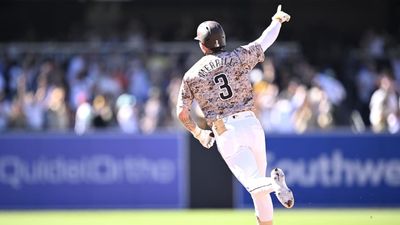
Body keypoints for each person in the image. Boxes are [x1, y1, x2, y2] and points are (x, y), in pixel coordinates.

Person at [176, 5, 294, 225]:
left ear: (202, 46)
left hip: (226, 131)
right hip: (252, 124)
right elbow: (264, 41)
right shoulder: (237, 57)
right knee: (259, 192)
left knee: (254, 184)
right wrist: (276, 20)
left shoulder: (191, 75)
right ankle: (271, 188)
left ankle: (274, 183)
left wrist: (198, 133)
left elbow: (181, 112)